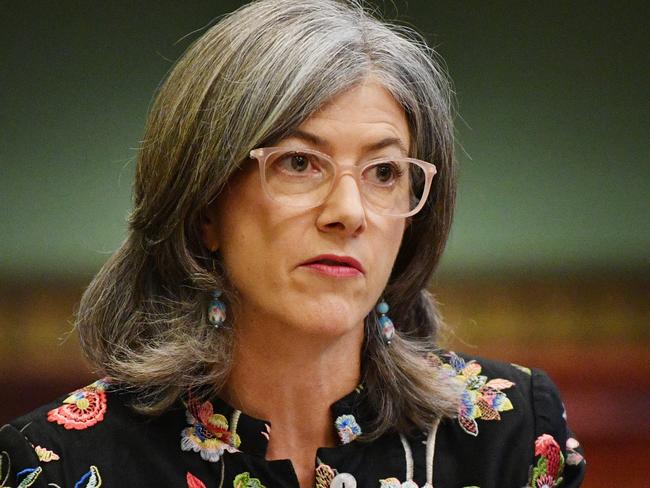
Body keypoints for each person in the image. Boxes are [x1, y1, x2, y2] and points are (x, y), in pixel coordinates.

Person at [0, 1, 586, 487]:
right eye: (299, 163)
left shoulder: (510, 435)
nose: (348, 213)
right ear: (204, 206)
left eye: (384, 172)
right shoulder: (57, 464)